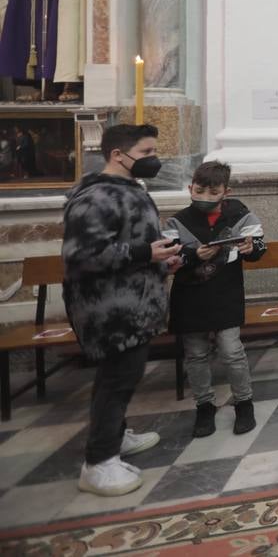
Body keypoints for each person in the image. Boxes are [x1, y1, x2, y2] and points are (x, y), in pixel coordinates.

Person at [61, 123, 180, 496]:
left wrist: (161, 261)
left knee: (121, 378)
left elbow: (131, 245)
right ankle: (99, 463)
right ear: (118, 155)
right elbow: (82, 256)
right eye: (146, 153)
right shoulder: (97, 197)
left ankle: (115, 436)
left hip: (132, 304)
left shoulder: (126, 190)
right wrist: (148, 253)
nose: (153, 160)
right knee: (117, 380)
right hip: (110, 310)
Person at [166, 160, 268, 438]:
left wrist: (250, 247)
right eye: (199, 191)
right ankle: (204, 407)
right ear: (190, 188)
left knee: (232, 351)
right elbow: (167, 257)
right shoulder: (178, 220)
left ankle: (244, 403)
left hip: (225, 292)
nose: (205, 198)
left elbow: (260, 245)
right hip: (190, 296)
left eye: (213, 192)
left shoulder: (239, 214)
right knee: (196, 354)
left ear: (226, 191)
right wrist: (191, 255)